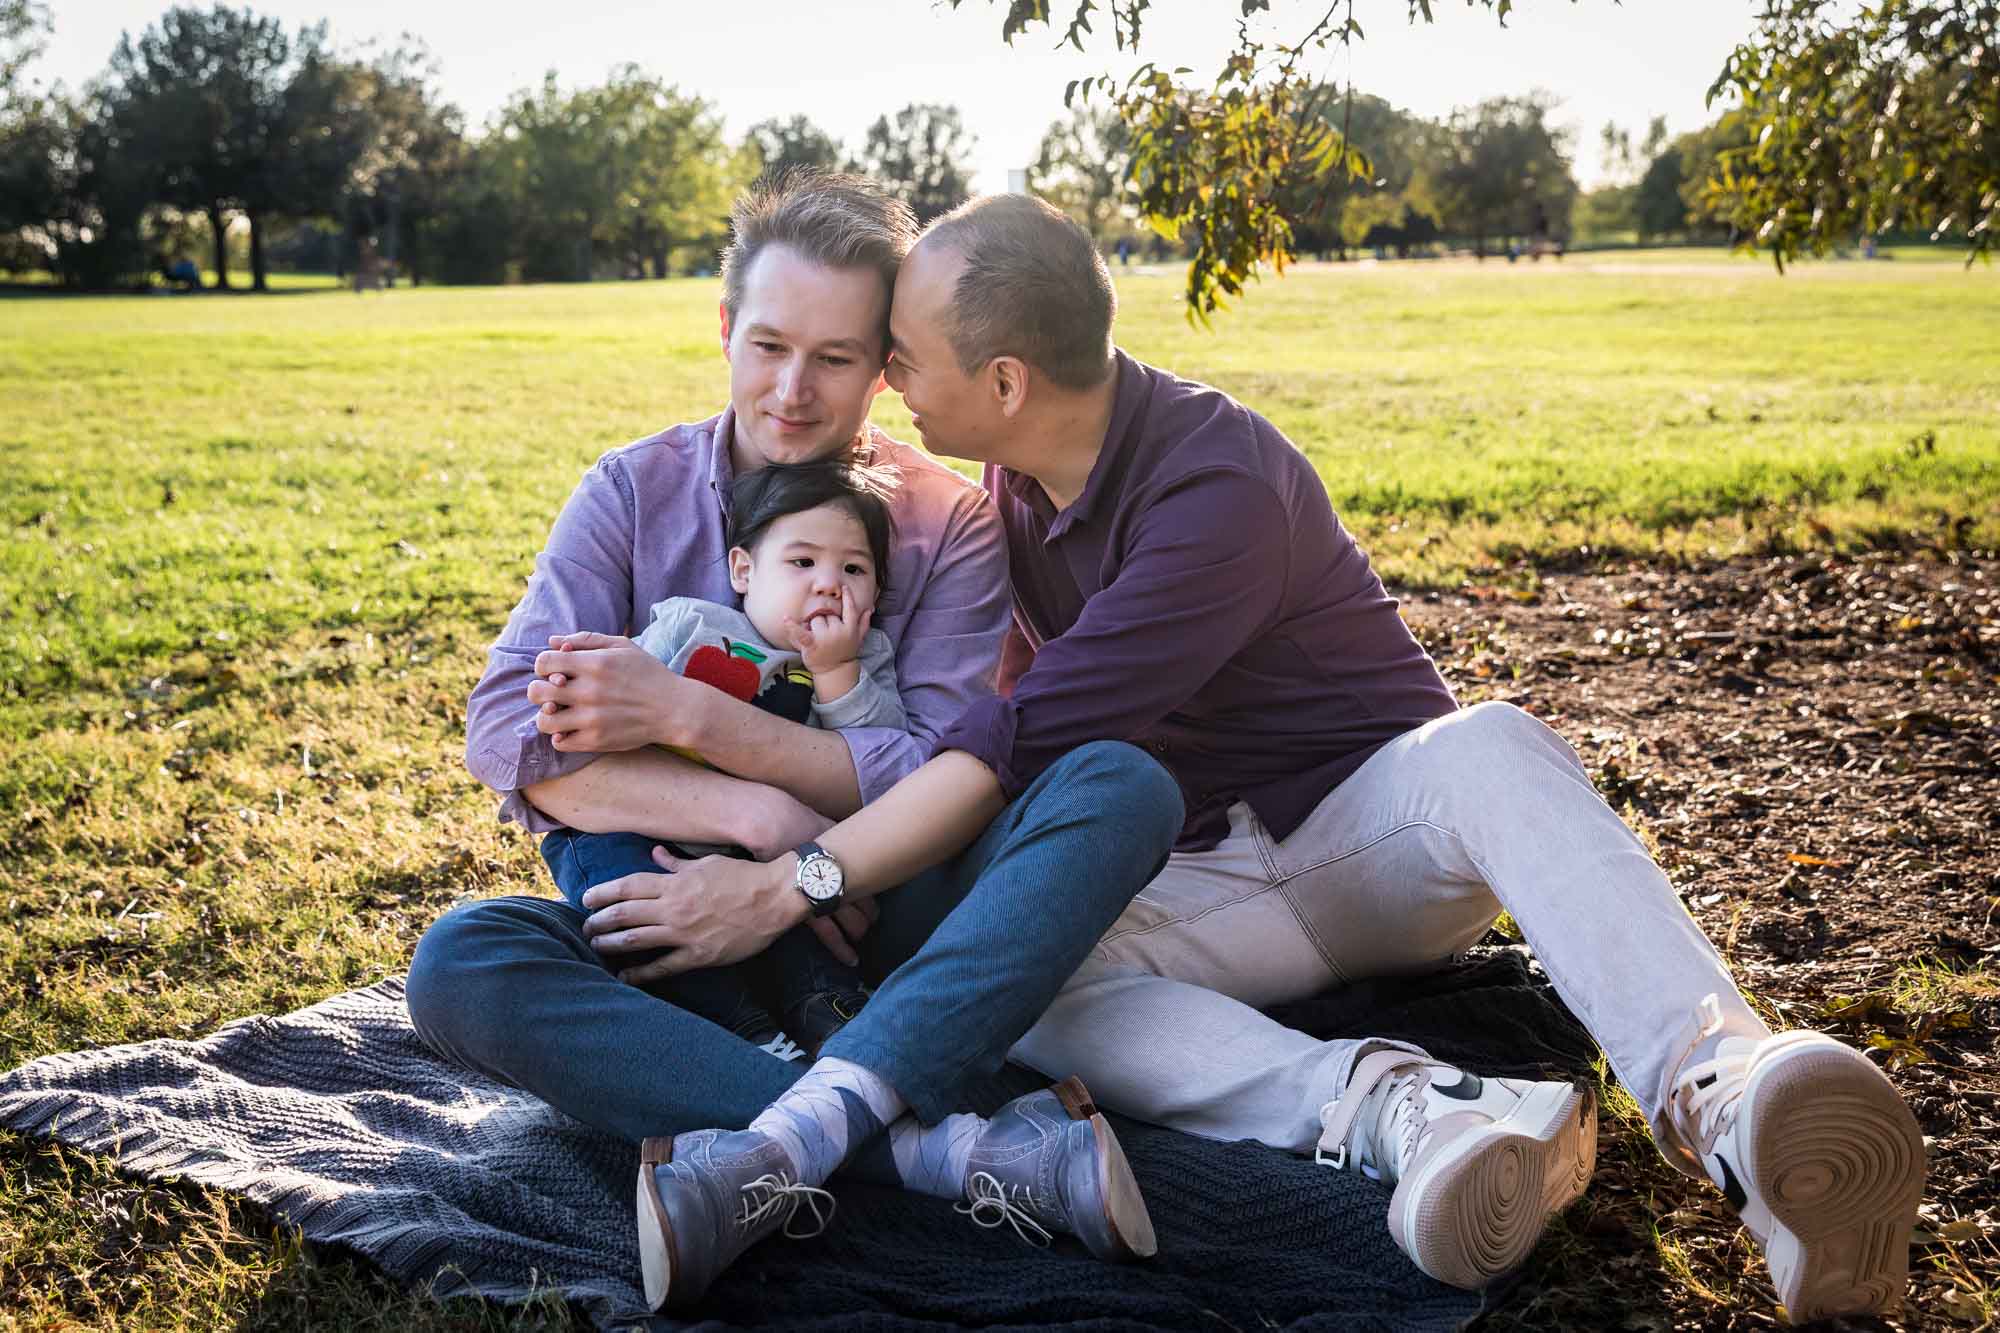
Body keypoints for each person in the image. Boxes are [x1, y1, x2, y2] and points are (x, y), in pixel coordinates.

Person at [623, 193, 1925, 1324]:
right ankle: (1410, 1112)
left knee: (1493, 744)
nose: (894, 379)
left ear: (1007, 381)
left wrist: (799, 877)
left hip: (1367, 839)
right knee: (1035, 977)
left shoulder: (1215, 484)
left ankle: (1733, 1098)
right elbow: (999, 698)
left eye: (903, 356)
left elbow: (1018, 738)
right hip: (1200, 876)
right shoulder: (1019, 484)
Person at [404, 170, 1181, 1315]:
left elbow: (931, 770)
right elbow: (510, 728)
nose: (792, 390)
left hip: (888, 911)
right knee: (462, 962)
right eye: (767, 345)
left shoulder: (946, 520)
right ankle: (938, 1144)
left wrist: (697, 733)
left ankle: (775, 1135)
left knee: (1118, 783)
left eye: (835, 357)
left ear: (884, 363)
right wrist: (750, 820)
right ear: (724, 328)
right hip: (676, 922)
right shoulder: (630, 492)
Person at [539, 459, 907, 1061]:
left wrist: (837, 674)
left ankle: (832, 1016)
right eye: (802, 561)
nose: (829, 583)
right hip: (649, 826)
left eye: (855, 569)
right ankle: (740, 1033)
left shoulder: (866, 660)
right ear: (743, 568)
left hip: (767, 862)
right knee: (634, 906)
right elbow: (603, 705)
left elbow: (879, 763)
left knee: (806, 931)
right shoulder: (690, 626)